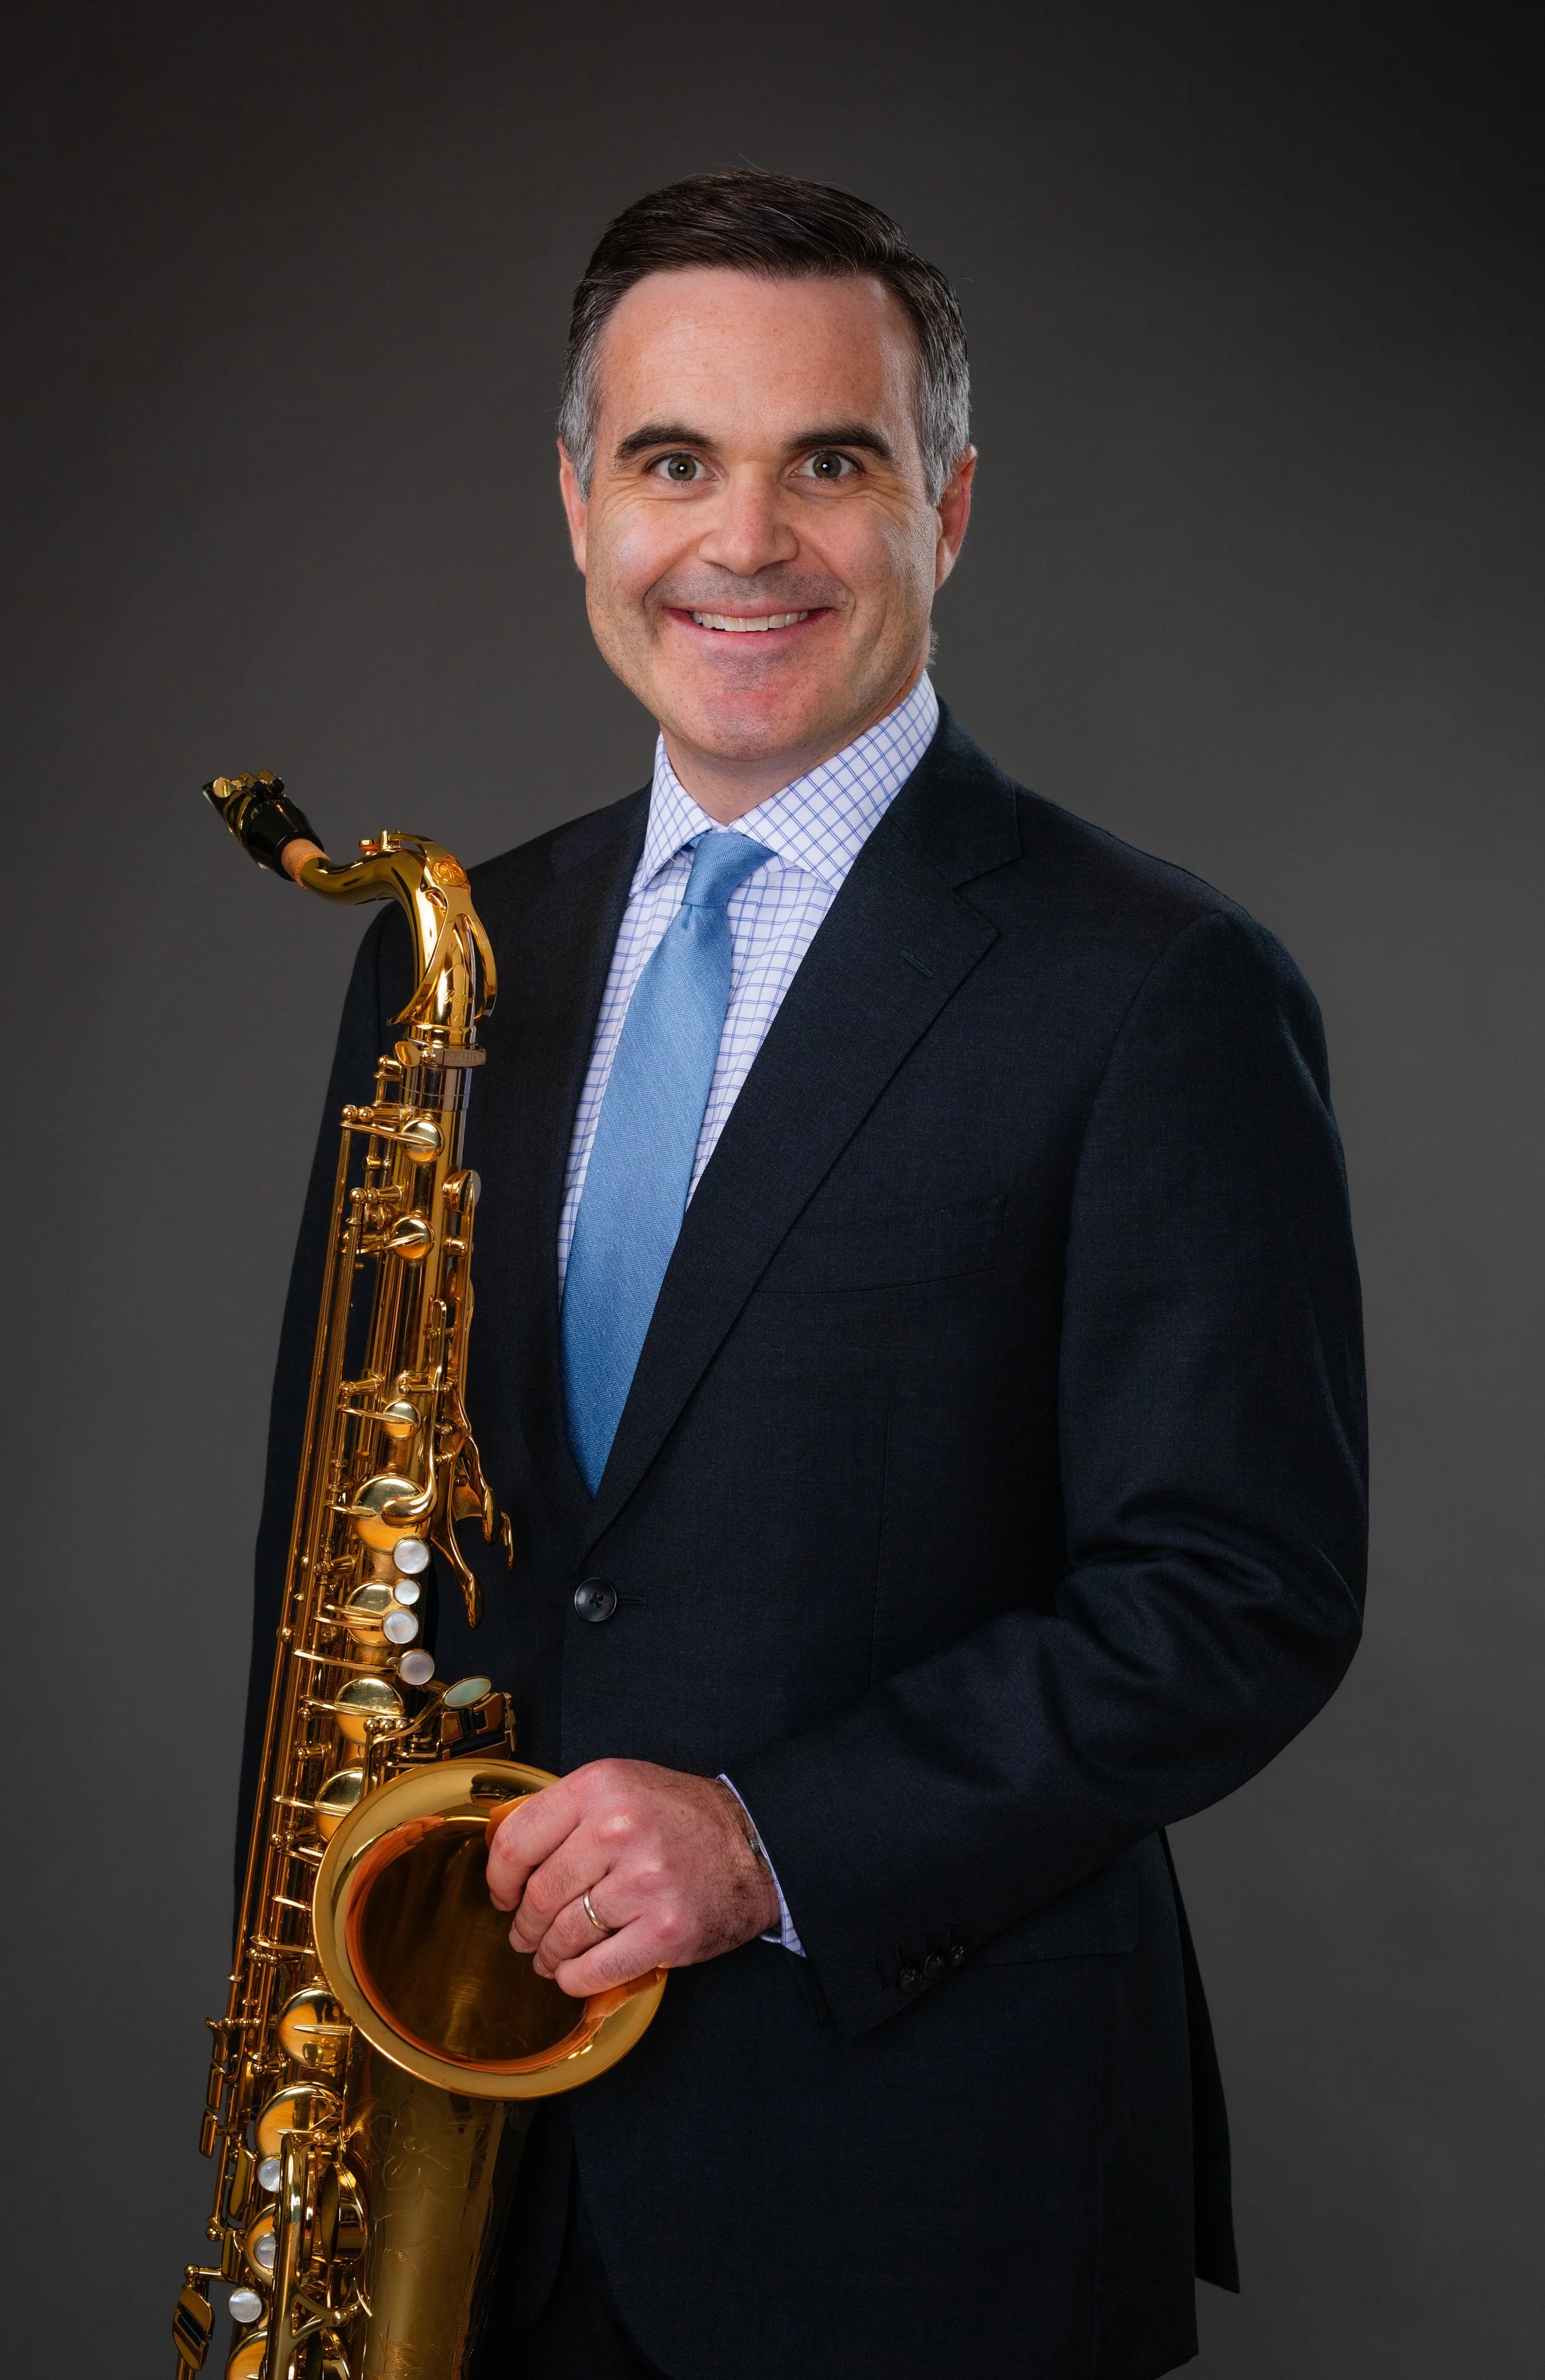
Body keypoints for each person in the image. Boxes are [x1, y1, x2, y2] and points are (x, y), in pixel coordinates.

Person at [250, 171, 1367, 2379]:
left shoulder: (1157, 984)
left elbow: (1238, 1593)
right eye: (673, 459)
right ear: (579, 505)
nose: (738, 541)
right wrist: (312, 2083)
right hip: (474, 2197)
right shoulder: (445, 960)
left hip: (926, 2197)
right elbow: (336, 1574)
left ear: (943, 506)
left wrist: (769, 1839)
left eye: (825, 463)